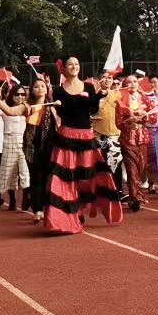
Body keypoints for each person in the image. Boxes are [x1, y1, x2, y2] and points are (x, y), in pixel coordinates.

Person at [44, 58, 121, 234]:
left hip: (86, 136)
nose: (74, 67)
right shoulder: (58, 91)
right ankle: (68, 215)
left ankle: (82, 207)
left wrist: (99, 96)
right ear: (64, 68)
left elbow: (93, 110)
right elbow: (64, 111)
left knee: (86, 177)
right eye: (71, 64)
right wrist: (69, 102)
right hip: (66, 136)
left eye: (77, 64)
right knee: (66, 178)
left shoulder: (89, 87)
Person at [0, 83, 31, 211]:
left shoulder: (27, 108)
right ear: (12, 95)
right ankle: (13, 199)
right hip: (9, 141)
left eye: (23, 94)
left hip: (23, 143)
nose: (20, 97)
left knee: (25, 171)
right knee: (10, 172)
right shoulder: (5, 107)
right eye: (17, 94)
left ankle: (26, 197)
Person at [22, 78, 56, 221]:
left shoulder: (53, 106)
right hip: (33, 148)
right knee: (37, 178)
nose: (40, 88)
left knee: (50, 180)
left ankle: (49, 208)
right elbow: (11, 111)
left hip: (51, 148)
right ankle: (37, 209)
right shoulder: (28, 107)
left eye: (43, 86)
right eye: (36, 86)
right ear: (32, 90)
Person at [116, 75, 150, 213]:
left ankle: (138, 194)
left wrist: (145, 116)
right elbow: (118, 123)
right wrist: (130, 120)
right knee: (131, 170)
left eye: (135, 81)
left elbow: (153, 118)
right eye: (129, 82)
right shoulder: (120, 101)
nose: (132, 84)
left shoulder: (145, 99)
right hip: (128, 138)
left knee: (141, 167)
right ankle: (134, 198)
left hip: (142, 137)